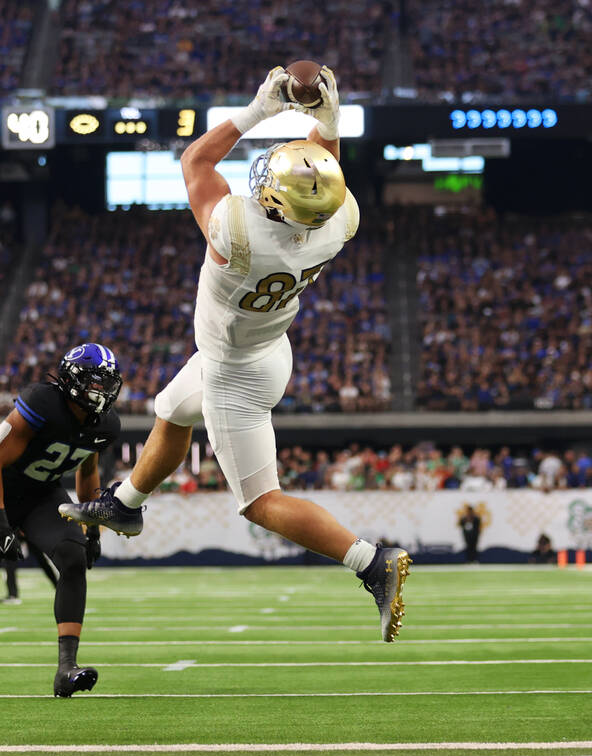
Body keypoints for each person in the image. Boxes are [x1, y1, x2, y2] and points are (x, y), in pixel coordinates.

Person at [60, 66, 411, 642]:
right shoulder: (339, 221)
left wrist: (258, 111)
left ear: (275, 199)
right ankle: (125, 503)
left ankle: (371, 562)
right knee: (171, 408)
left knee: (260, 502)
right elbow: (326, 173)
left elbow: (196, 162)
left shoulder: (238, 231)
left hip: (233, 373)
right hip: (267, 347)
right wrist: (327, 120)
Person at [0, 343, 122, 696]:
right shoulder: (43, 403)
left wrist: (92, 529)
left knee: (74, 558)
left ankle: (66, 669)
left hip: (42, 494)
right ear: (74, 379)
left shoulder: (106, 424)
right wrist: (0, 526)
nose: (103, 391)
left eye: (108, 383)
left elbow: (87, 470)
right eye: (96, 382)